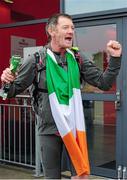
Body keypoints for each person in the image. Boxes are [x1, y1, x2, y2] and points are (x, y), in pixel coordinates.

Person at [0, 13, 122, 179]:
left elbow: (104, 83)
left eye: (72, 28)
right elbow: (9, 92)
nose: (71, 31)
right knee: (52, 177)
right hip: (48, 130)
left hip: (74, 128)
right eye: (65, 27)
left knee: (81, 175)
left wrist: (114, 59)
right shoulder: (36, 60)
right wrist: (6, 81)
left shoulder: (77, 58)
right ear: (52, 31)